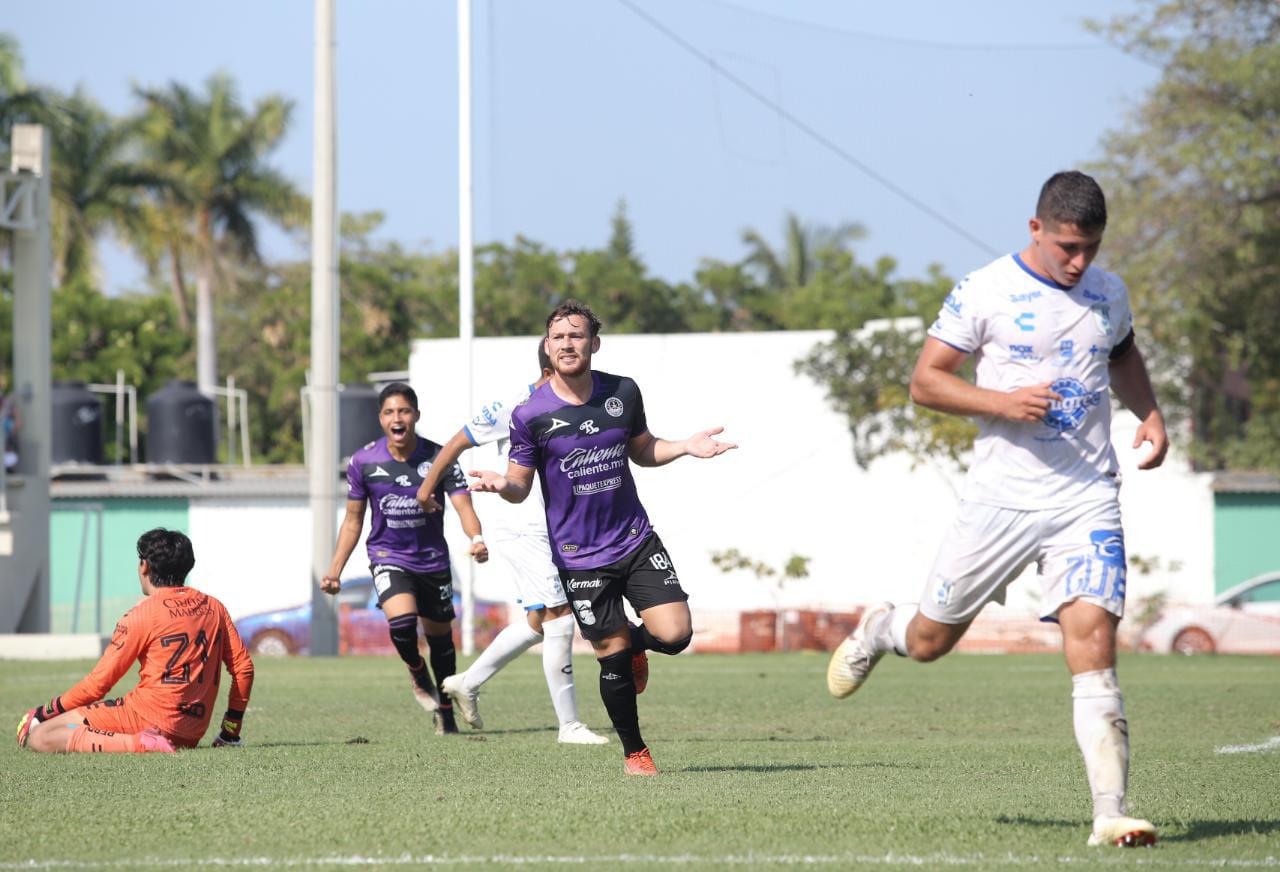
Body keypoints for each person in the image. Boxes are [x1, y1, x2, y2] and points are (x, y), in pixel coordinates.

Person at [826, 171, 1168, 848]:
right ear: (1036, 228)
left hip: (1085, 494)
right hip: (1000, 500)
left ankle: (1110, 812)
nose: (1080, 262)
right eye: (1069, 246)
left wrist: (1150, 412)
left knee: (1095, 641)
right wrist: (1002, 403)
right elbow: (926, 382)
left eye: (1091, 248)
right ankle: (880, 628)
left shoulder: (1108, 293)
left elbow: (1124, 355)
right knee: (929, 644)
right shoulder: (986, 291)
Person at [469, 301, 736, 775]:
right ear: (547, 348)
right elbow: (520, 486)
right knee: (609, 658)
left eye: (576, 336)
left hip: (634, 539)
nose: (567, 344)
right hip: (579, 558)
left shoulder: (623, 392)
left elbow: (643, 449)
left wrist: (685, 447)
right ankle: (636, 752)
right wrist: (499, 485)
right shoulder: (529, 414)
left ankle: (637, 644)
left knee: (675, 635)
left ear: (594, 343)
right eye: (558, 337)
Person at [415, 342, 608, 746]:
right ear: (548, 364)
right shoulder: (517, 404)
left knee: (541, 621)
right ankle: (569, 726)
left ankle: (468, 681)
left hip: (559, 529)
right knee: (559, 617)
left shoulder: (576, 405)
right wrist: (425, 490)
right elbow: (456, 442)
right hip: (524, 528)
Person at [322, 382, 488, 735]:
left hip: (432, 561)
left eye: (404, 411)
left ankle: (445, 712)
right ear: (381, 419)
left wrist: (476, 538)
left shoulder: (439, 457)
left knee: (441, 642)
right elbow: (353, 520)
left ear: (415, 416)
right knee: (401, 623)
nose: (397, 418)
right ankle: (416, 671)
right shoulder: (364, 461)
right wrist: (334, 570)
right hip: (388, 556)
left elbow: (463, 505)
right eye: (389, 412)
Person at [16, 528, 254, 753]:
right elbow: (244, 669)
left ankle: (139, 743)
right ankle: (142, 741)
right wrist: (230, 732)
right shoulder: (214, 607)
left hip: (146, 718)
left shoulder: (141, 614)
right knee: (64, 725)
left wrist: (44, 711)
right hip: (191, 733)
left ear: (144, 566)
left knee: (42, 735)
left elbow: (97, 685)